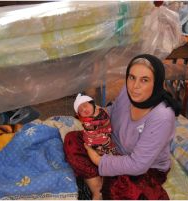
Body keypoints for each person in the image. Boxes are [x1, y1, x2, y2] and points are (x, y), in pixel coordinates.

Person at [64, 54, 180, 200]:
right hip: (110, 146)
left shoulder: (162, 116)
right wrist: (98, 116)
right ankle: (97, 188)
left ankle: (100, 181)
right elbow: (114, 111)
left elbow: (138, 165)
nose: (135, 86)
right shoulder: (127, 91)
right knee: (72, 140)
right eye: (132, 77)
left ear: (156, 83)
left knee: (122, 190)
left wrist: (99, 161)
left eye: (144, 80)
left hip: (145, 169)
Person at [72, 93, 117, 199]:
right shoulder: (87, 123)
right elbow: (90, 134)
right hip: (94, 146)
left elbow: (106, 123)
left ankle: (101, 188)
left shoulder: (103, 113)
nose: (84, 109)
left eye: (85, 105)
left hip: (107, 148)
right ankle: (97, 189)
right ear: (80, 117)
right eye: (81, 110)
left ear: (93, 105)